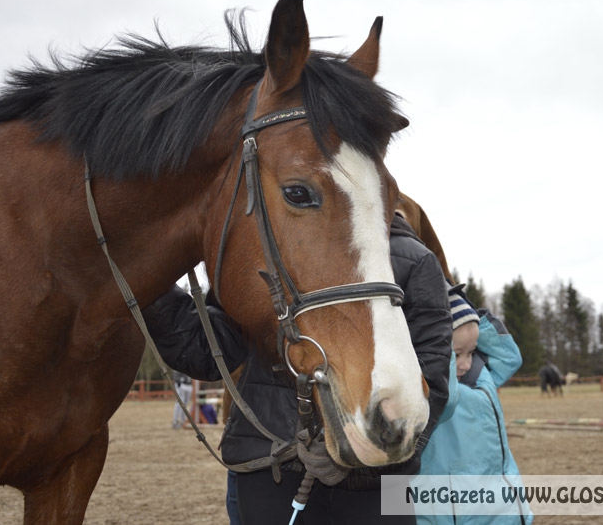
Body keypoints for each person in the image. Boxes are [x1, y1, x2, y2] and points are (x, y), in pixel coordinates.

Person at [142, 212, 452, 524]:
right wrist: (144, 272)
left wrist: (354, 457)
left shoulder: (414, 259)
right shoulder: (262, 249)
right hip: (272, 466)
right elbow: (211, 352)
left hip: (380, 482)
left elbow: (431, 381)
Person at [417, 287, 533, 525]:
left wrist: (464, 307)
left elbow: (510, 358)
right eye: (456, 354)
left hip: (501, 505)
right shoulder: (430, 389)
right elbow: (446, 396)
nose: (466, 363)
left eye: (471, 351)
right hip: (453, 512)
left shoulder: (481, 372)